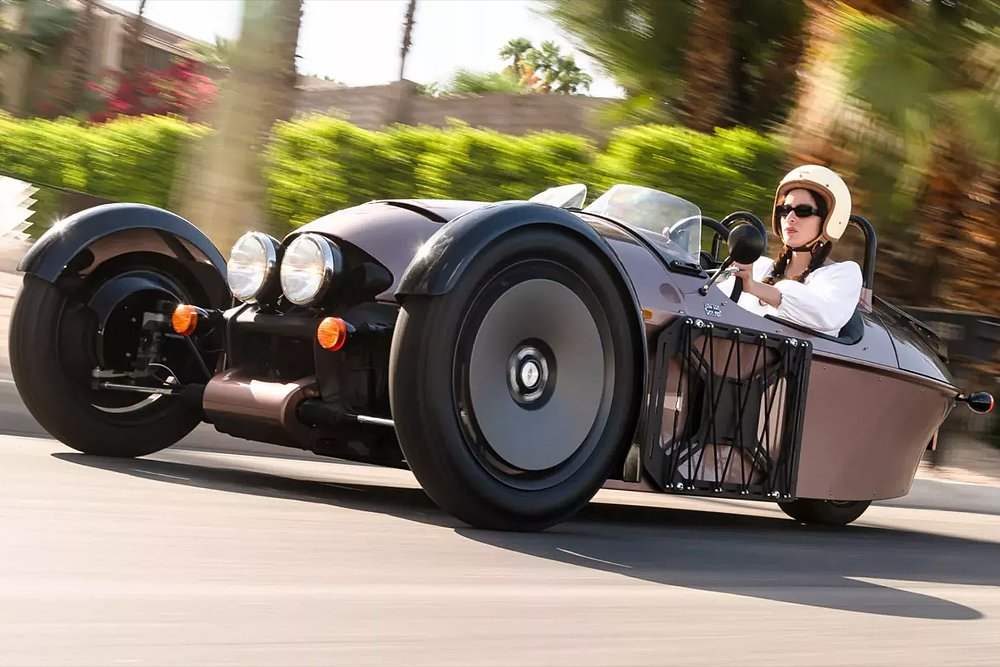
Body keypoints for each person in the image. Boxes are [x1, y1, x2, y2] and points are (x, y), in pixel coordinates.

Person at [718, 165, 863, 337]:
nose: (790, 218)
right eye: (784, 210)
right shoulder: (758, 267)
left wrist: (754, 287)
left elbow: (824, 313)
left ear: (828, 219)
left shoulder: (844, 274)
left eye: (803, 211)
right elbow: (714, 300)